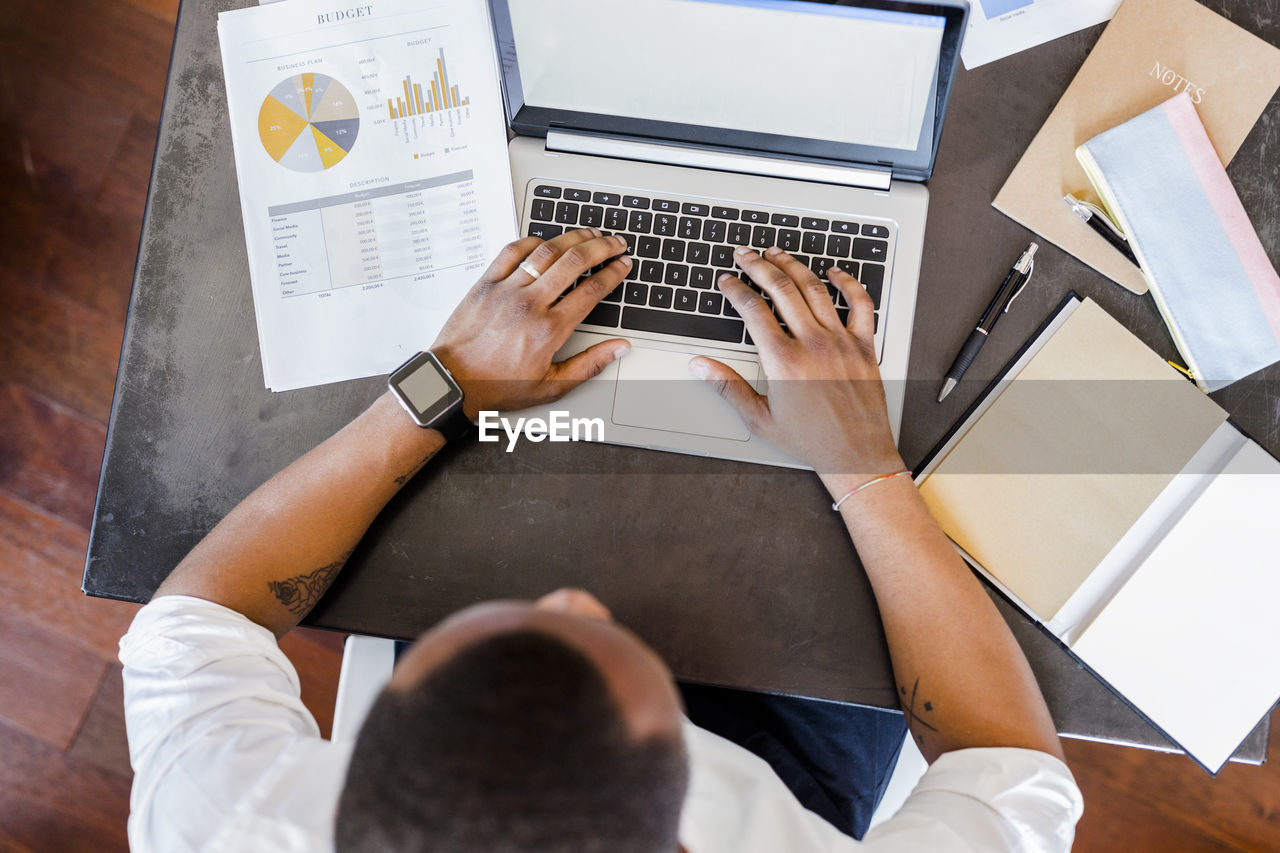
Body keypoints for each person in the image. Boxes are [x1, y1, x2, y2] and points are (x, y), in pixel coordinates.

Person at [119, 228, 1083, 852]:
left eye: (489, 649)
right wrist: (865, 466)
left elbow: (196, 623)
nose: (575, 599)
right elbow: (1014, 773)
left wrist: (443, 384)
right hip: (796, 764)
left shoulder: (231, 821)